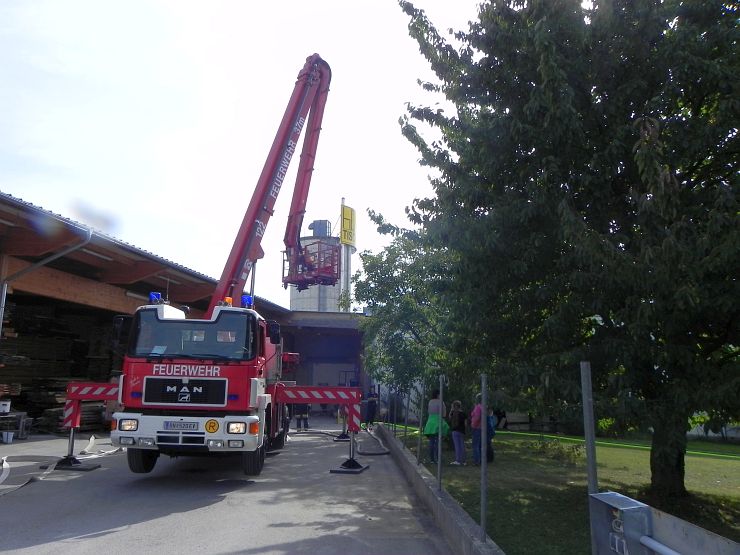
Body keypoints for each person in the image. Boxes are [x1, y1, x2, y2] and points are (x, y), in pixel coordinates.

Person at [423, 389, 448, 463]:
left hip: (430, 422)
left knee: (431, 441)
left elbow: (429, 411)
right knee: (437, 442)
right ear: (438, 394)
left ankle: (432, 459)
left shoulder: (430, 402)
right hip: (438, 422)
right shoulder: (441, 402)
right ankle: (438, 458)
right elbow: (444, 413)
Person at [448, 400, 467, 466]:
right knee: (462, 446)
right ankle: (464, 461)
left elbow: (449, 418)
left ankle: (458, 460)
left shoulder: (453, 413)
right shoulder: (463, 413)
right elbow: (465, 424)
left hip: (455, 431)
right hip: (462, 431)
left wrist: (451, 409)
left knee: (457, 446)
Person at [470, 393, 483, 465]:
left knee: (475, 445)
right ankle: (479, 459)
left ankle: (477, 461)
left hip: (476, 428)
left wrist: (473, 426)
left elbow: (477, 418)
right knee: (479, 444)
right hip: (481, 428)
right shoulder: (483, 406)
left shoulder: (478, 407)